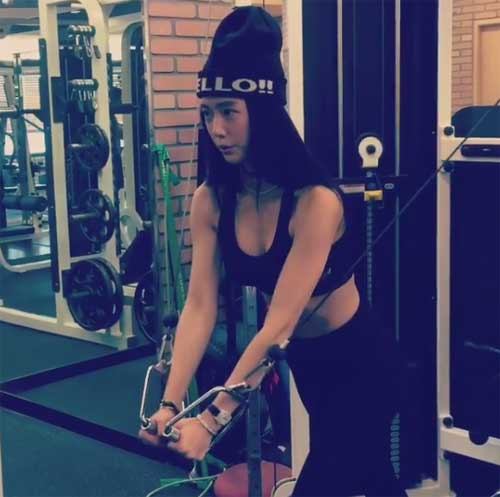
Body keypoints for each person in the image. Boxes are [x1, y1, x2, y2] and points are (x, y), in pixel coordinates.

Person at [139, 6, 408, 497]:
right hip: (310, 366)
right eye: (207, 112)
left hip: (362, 363)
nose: (216, 128)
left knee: (329, 479)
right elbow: (199, 305)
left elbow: (280, 324)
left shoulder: (315, 203)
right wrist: (171, 405)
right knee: (373, 476)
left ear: (262, 113)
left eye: (229, 111)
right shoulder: (211, 201)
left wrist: (211, 422)